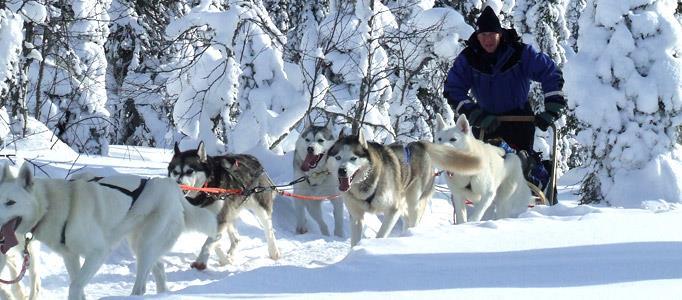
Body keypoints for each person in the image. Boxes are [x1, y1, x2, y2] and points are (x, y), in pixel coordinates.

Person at [443, 6, 566, 200]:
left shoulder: (519, 53)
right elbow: (453, 88)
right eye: (483, 34)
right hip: (486, 122)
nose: (487, 39)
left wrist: (552, 106)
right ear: (477, 35)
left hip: (520, 120)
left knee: (518, 164)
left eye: (492, 34)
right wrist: (473, 113)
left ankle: (539, 184)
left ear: (500, 34)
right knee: (484, 168)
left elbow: (549, 71)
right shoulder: (469, 58)